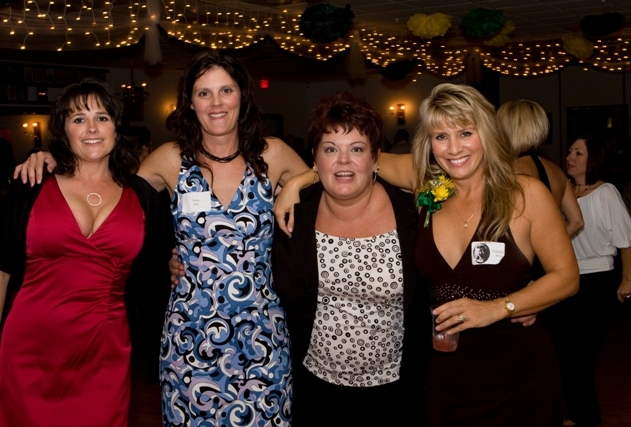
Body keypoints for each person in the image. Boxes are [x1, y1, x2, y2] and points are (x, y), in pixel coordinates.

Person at [15, 51, 309, 426]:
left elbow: (331, 177)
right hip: (191, 334)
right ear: (189, 102)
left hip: (262, 334)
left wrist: (298, 181)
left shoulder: (275, 154)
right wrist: (56, 161)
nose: (216, 103)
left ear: (243, 96)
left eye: (226, 91)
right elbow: (108, 184)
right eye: (204, 93)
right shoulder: (170, 159)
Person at [276, 83, 579, 426]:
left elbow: (567, 278)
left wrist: (501, 306)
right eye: (440, 136)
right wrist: (298, 182)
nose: (453, 148)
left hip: (516, 370)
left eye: (465, 132)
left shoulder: (524, 194)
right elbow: (355, 160)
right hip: (443, 373)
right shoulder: (430, 190)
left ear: (488, 134)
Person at [0, 79, 174, 426]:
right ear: (63, 130)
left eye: (102, 117)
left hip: (105, 352)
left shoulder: (143, 196)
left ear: (116, 126)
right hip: (28, 347)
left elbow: (163, 264)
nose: (92, 128)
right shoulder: (32, 183)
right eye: (78, 119)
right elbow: (2, 269)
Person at [272, 92, 422, 426]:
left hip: (396, 393)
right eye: (330, 149)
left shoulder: (413, 214)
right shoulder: (292, 218)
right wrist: (179, 259)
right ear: (315, 157)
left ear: (375, 157)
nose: (343, 161)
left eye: (356, 149)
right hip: (315, 390)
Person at [558, 134, 631, 426]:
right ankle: (574, 415)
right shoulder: (564, 191)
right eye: (570, 151)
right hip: (566, 278)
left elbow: (627, 240)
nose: (570, 156)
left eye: (578, 152)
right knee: (566, 355)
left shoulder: (605, 193)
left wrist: (627, 279)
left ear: (592, 160)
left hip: (597, 281)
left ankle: (587, 418)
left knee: (581, 358)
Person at [497, 99, 583, 237]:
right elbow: (576, 221)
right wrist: (549, 248)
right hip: (544, 254)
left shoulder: (505, 172)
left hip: (516, 255)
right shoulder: (556, 171)